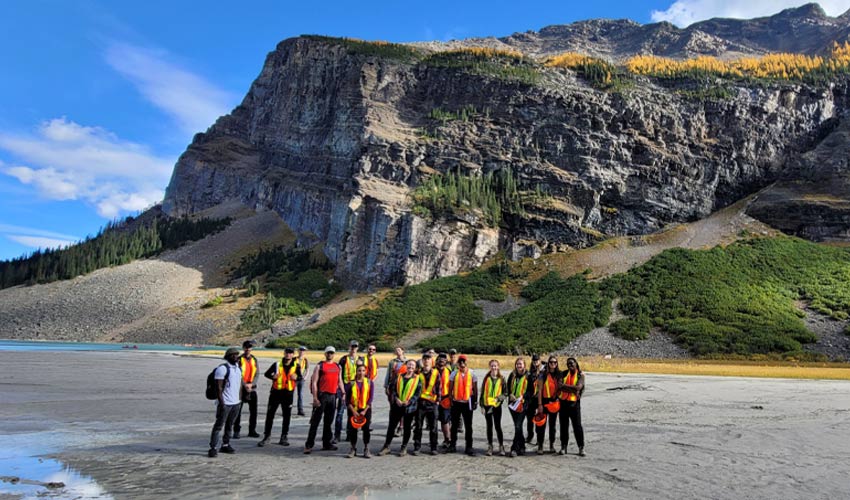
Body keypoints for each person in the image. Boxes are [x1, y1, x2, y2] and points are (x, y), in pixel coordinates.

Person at [304, 346, 344, 454]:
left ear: (334, 354)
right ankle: (309, 444)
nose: (330, 354)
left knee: (328, 421)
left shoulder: (337, 366)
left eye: (332, 353)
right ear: (325, 354)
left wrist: (343, 393)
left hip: (333, 396)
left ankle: (326, 443)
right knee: (315, 422)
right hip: (322, 395)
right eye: (328, 353)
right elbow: (314, 382)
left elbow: (340, 381)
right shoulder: (319, 366)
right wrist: (315, 398)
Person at [258, 347, 300, 447]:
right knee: (270, 414)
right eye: (287, 353)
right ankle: (267, 436)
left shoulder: (296, 366)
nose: (288, 355)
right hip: (276, 393)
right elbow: (266, 374)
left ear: (293, 354)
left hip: (288, 394)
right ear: (284, 353)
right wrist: (273, 376)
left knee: (287, 416)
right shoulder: (277, 364)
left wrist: (297, 377)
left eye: (290, 353)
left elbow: (300, 377)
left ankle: (284, 437)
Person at [378, 360, 421, 456]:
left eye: (413, 365)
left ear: (416, 368)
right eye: (409, 364)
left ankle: (404, 447)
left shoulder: (417, 379)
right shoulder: (399, 377)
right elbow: (392, 389)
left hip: (409, 408)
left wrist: (409, 401)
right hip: (396, 406)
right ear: (406, 366)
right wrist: (396, 399)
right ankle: (386, 446)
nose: (410, 366)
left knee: (407, 428)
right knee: (391, 427)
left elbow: (417, 394)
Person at [208, 347, 243, 457]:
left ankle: (225, 444)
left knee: (230, 425)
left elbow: (239, 385)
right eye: (233, 355)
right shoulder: (222, 369)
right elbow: (218, 388)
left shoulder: (238, 368)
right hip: (226, 402)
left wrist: (240, 399)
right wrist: (222, 403)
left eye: (237, 354)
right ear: (228, 357)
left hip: (236, 402)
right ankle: (213, 447)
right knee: (219, 425)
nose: (236, 357)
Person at [449, 355, 478, 456]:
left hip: (467, 402)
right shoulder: (454, 374)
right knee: (454, 425)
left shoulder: (472, 373)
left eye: (463, 362)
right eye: (460, 362)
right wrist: (450, 399)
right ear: (458, 364)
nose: (462, 364)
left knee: (468, 426)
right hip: (456, 402)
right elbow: (450, 388)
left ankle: (469, 446)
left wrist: (475, 401)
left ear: (466, 362)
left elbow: (475, 389)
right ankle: (452, 445)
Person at [557, 357, 586, 456]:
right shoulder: (564, 373)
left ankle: (581, 447)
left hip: (574, 405)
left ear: (576, 363)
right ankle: (563, 446)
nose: (570, 365)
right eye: (568, 364)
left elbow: (578, 387)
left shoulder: (580, 375)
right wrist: (573, 389)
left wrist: (566, 387)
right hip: (563, 403)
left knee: (577, 426)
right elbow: (559, 386)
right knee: (563, 427)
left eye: (571, 363)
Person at [413, 354, 441, 455]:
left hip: (432, 403)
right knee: (418, 426)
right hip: (420, 403)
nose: (426, 361)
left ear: (431, 361)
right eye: (424, 359)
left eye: (428, 359)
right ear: (422, 361)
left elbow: (439, 386)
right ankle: (417, 447)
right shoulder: (417, 373)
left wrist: (438, 399)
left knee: (433, 427)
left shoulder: (436, 373)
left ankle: (434, 447)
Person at [336, 340, 363, 444]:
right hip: (345, 386)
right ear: (349, 346)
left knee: (351, 412)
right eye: (352, 346)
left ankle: (349, 434)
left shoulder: (360, 359)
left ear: (357, 348)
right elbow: (339, 374)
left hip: (354, 388)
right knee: (340, 412)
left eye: (355, 346)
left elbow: (362, 374)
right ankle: (337, 435)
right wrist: (341, 389)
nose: (353, 348)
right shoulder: (343, 359)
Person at [345, 363, 374, 458]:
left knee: (366, 429)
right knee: (353, 429)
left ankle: (366, 448)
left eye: (363, 371)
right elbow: (347, 400)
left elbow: (370, 398)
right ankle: (353, 448)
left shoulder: (370, 382)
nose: (361, 373)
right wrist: (353, 411)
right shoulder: (351, 383)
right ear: (356, 372)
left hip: (365, 409)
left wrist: (364, 411)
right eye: (359, 371)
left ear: (365, 372)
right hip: (353, 409)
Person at [507, 357, 533, 457]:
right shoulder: (512, 375)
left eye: (521, 364)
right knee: (518, 427)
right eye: (517, 364)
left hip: (523, 405)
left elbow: (531, 391)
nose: (519, 365)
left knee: (518, 426)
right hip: (512, 405)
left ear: (524, 365)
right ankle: (522, 447)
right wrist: (510, 395)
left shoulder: (528, 376)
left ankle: (514, 448)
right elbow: (508, 388)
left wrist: (523, 396)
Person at [480, 359, 507, 456]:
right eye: (492, 366)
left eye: (495, 366)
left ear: (498, 367)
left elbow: (505, 393)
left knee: (497, 426)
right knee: (489, 426)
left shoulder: (502, 379)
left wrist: (498, 399)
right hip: (487, 406)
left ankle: (501, 446)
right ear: (489, 367)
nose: (494, 367)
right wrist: (482, 405)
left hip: (496, 406)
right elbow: (482, 392)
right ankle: (490, 446)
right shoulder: (486, 378)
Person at [234, 340, 260, 439]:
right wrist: (244, 384)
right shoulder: (239, 359)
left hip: (252, 388)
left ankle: (252, 430)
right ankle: (236, 430)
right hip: (241, 388)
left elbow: (257, 373)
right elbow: (237, 374)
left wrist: (252, 384)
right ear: (243, 348)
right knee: (237, 411)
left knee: (254, 411)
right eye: (246, 347)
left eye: (250, 347)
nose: (248, 349)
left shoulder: (254, 359)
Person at [535, 356, 561, 455]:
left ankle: (551, 445)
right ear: (548, 363)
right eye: (551, 362)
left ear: (557, 363)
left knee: (552, 425)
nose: (553, 364)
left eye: (555, 362)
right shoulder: (543, 374)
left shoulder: (559, 374)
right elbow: (540, 390)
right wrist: (540, 404)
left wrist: (580, 373)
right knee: (541, 425)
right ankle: (540, 445)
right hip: (544, 401)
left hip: (554, 402)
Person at [383, 346, 407, 437]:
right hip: (393, 386)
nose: (398, 351)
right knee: (393, 408)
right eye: (396, 350)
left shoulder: (407, 362)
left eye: (399, 350)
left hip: (403, 387)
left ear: (403, 351)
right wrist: (386, 386)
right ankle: (392, 426)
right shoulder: (392, 362)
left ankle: (401, 427)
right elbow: (388, 374)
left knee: (402, 407)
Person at [436, 353, 453, 449]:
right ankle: (433, 440)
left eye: (444, 359)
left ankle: (448, 439)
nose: (442, 360)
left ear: (446, 361)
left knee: (445, 420)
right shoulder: (432, 371)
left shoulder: (449, 372)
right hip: (433, 399)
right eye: (440, 359)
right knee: (433, 421)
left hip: (446, 398)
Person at [526, 354, 542, 444]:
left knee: (538, 419)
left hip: (539, 399)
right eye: (534, 361)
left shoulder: (543, 371)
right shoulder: (530, 372)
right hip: (531, 399)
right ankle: (530, 436)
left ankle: (539, 439)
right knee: (529, 419)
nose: (536, 362)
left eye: (537, 360)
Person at [296, 346, 309, 416]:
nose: (302, 352)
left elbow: (307, 369)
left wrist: (305, 377)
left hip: (301, 379)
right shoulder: (294, 359)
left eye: (303, 351)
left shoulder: (305, 360)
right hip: (294, 379)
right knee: (290, 394)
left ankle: (300, 410)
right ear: (298, 351)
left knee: (300, 395)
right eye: (300, 350)